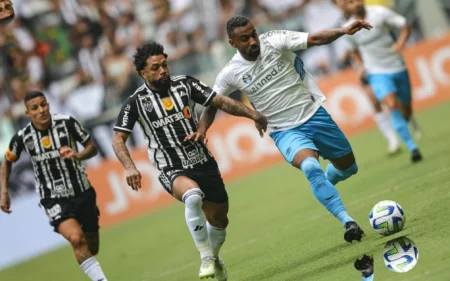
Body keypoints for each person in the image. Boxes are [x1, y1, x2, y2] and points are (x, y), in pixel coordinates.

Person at [190, 15, 372, 243]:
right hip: (285, 130)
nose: (253, 41)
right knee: (310, 167)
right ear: (232, 43)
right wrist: (202, 129)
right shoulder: (230, 72)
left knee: (349, 168)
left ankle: (325, 183)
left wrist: (344, 31)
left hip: (314, 114)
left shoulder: (275, 40)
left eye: (253, 33)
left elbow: (315, 38)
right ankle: (348, 222)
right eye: (244, 38)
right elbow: (213, 103)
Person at [112, 42, 267, 280]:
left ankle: (214, 259)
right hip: (170, 166)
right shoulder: (135, 102)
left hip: (203, 161)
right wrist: (130, 167)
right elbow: (118, 140)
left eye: (164, 64)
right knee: (192, 196)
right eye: (155, 67)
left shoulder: (185, 84)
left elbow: (221, 102)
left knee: (219, 221)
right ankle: (206, 259)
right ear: (143, 73)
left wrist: (253, 114)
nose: (163, 70)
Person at [0, 91, 108, 281]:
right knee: (76, 239)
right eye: (35, 108)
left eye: (44, 104)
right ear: (28, 114)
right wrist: (4, 192)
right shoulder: (23, 137)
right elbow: (7, 161)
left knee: (92, 247)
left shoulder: (67, 123)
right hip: (53, 198)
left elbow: (92, 147)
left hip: (82, 192)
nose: (41, 110)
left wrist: (78, 155)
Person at [344, 0, 423, 162]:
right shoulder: (349, 27)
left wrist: (400, 44)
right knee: (391, 104)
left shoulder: (379, 13)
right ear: (347, 6)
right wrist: (360, 66)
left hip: (397, 65)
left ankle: (405, 120)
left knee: (406, 109)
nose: (356, 3)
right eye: (351, 2)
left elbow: (405, 25)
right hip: (376, 71)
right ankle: (412, 148)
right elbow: (354, 51)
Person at [333, 0, 400, 155]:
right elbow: (349, 46)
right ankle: (391, 139)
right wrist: (357, 63)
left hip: (380, 61)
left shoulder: (368, 12)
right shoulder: (340, 23)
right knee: (373, 99)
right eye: (338, 2)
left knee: (391, 100)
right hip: (363, 65)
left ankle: (403, 125)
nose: (342, 3)